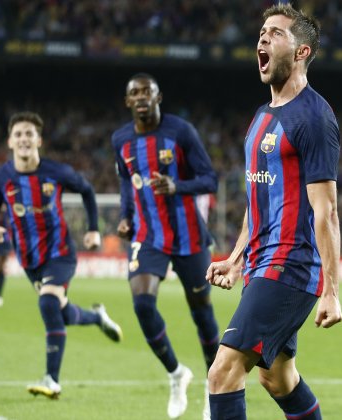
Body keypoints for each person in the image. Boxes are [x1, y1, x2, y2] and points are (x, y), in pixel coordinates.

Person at [205, 4, 342, 420]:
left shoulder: (315, 118)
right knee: (277, 379)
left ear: (301, 51)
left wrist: (332, 291)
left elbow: (327, 212)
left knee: (223, 372)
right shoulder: (263, 116)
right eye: (262, 32)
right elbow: (259, 200)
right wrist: (235, 257)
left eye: (276, 33)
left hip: (291, 267)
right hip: (261, 265)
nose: (262, 39)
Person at [0, 111, 123, 399]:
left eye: (29, 134)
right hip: (28, 259)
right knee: (60, 312)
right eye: (19, 134)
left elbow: (86, 191)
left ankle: (52, 379)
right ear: (10, 141)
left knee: (48, 302)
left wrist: (93, 228)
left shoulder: (56, 171)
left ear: (39, 140)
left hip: (60, 253)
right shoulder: (0, 177)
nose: (24, 139)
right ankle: (96, 317)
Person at [112, 73, 220, 419]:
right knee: (142, 304)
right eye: (134, 93)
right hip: (148, 236)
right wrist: (127, 217)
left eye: (148, 91)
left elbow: (210, 179)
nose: (141, 97)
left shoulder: (181, 132)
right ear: (128, 101)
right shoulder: (121, 140)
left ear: (159, 97)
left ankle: (213, 385)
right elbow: (128, 184)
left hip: (189, 236)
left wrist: (177, 186)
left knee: (201, 311)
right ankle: (176, 373)